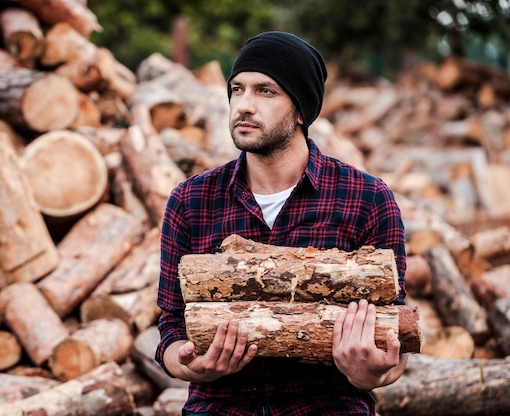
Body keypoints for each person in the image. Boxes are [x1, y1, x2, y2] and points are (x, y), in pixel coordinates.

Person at [155, 31, 408, 415]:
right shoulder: (191, 200)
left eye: (265, 91)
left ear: (302, 110)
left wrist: (370, 374)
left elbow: (396, 337)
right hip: (221, 407)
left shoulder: (367, 199)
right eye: (236, 89)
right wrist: (189, 364)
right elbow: (171, 327)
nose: (244, 105)